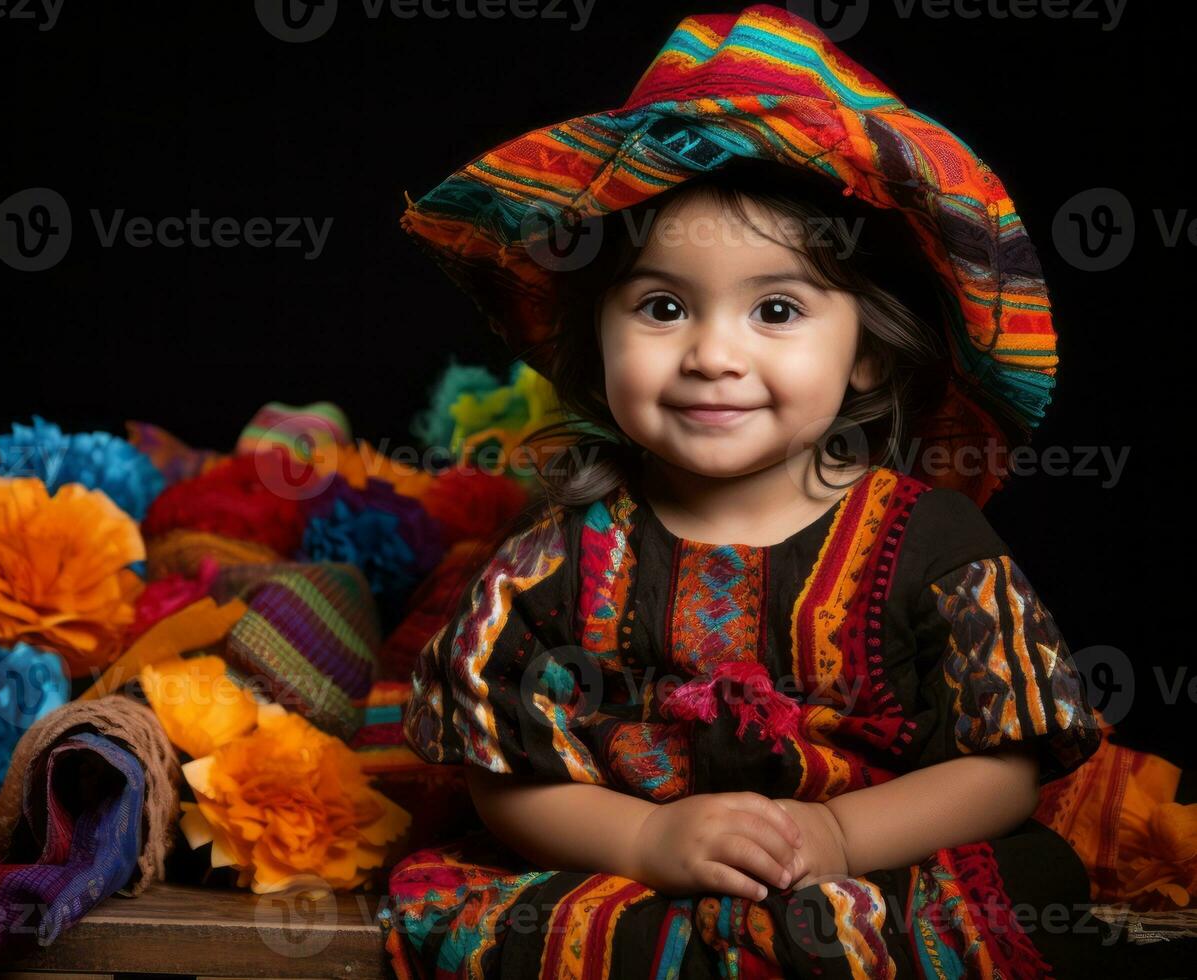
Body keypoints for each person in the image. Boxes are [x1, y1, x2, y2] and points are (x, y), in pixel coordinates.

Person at [378, 5, 1164, 976]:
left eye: (775, 307)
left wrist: (835, 834)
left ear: (868, 354)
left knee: (1036, 882)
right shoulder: (553, 557)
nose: (712, 353)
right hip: (629, 869)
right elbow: (505, 778)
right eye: (662, 306)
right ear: (596, 341)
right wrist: (643, 842)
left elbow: (1000, 768)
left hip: (872, 859)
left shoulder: (932, 541)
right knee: (521, 918)